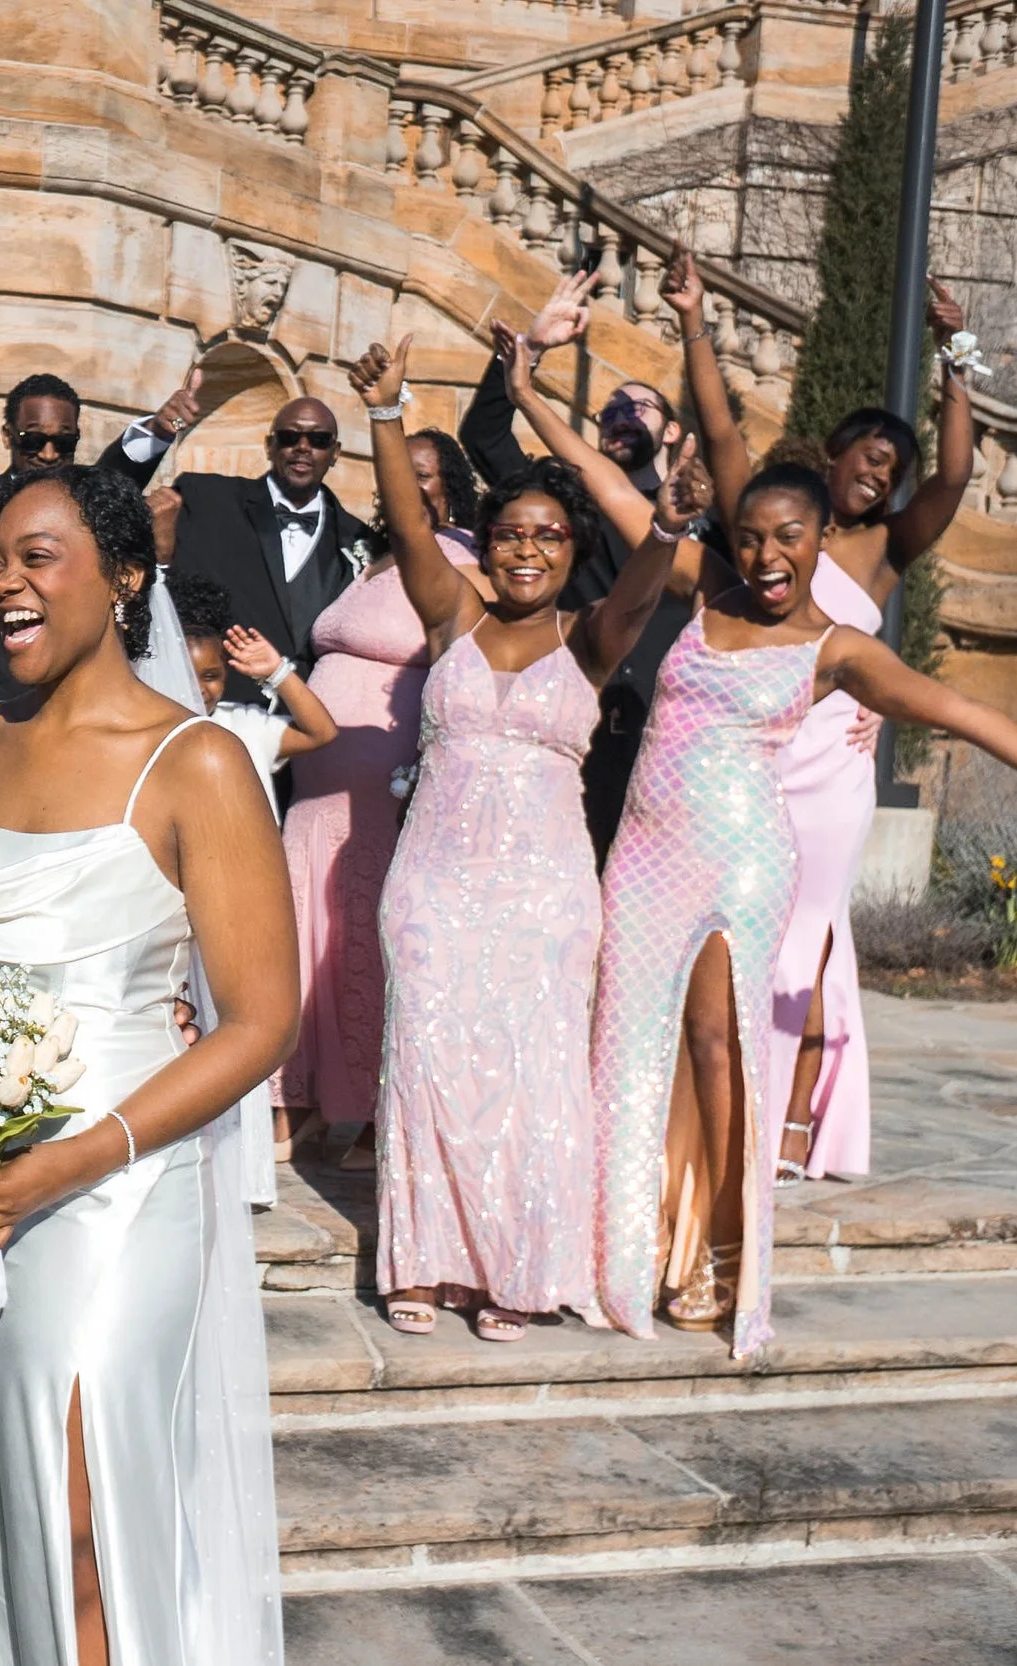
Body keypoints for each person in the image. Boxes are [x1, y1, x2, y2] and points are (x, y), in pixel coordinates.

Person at [589, 461, 1017, 1356]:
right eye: (750, 535)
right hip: (642, 859)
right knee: (629, 1041)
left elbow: (960, 713)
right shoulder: (708, 587)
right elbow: (617, 496)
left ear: (820, 540)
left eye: (787, 536)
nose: (764, 554)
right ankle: (631, 1243)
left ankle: (723, 1251)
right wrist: (528, 391)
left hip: (740, 861)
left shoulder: (839, 649)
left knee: (717, 1046)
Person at [0, 464, 293, 1663]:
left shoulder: (200, 763)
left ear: (126, 579)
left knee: (84, 1528)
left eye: (37, 556)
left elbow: (258, 1021)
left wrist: (66, 1161)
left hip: (117, 1193)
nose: (3, 582)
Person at [350, 338, 683, 1344]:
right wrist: (386, 412)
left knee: (534, 1080)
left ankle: (518, 1269)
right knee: (425, 1064)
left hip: (543, 895)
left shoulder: (589, 638)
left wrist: (665, 525)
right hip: (434, 885)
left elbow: (643, 588)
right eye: (507, 533)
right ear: (484, 544)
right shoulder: (450, 612)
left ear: (571, 549)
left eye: (546, 534)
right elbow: (411, 525)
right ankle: (423, 1260)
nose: (525, 549)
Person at [664, 253, 977, 1184]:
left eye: (894, 469)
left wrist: (954, 356)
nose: (882, 479)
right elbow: (720, 436)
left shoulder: (887, 547)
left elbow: (955, 477)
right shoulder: (771, 524)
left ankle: (795, 1126)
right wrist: (692, 322)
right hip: (747, 754)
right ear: (835, 451)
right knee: (730, 932)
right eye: (872, 459)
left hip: (831, 770)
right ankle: (716, 1104)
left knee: (809, 937)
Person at [272, 428, 485, 1169]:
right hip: (314, 795)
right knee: (304, 945)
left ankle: (367, 1117)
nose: (408, 484)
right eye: (401, 472)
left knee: (360, 950)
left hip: (377, 795)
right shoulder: (373, 560)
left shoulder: (456, 563)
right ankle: (295, 1100)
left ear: (450, 486)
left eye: (424, 474)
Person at [461, 270, 695, 860]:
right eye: (608, 406)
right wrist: (530, 350)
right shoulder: (567, 504)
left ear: (670, 431)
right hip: (574, 728)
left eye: (636, 406)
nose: (617, 413)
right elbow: (485, 438)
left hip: (668, 743)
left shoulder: (701, 526)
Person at [0, 370, 205, 724]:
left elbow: (115, 476)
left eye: (63, 442)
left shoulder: (84, 503)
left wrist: (158, 432)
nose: (47, 453)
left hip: (85, 712)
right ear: (7, 436)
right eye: (32, 439)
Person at [155, 398, 373, 706]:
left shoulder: (361, 539)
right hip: (212, 711)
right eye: (289, 437)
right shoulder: (205, 500)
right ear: (269, 445)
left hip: (309, 725)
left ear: (335, 453)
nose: (302, 447)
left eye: (318, 440)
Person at [168, 571, 337, 803]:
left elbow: (321, 732)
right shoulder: (145, 729)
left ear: (227, 671)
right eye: (185, 675)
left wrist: (278, 672)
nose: (199, 688)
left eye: (210, 676)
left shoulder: (245, 723)